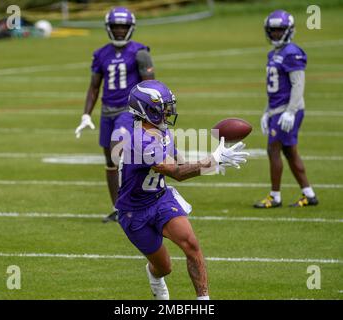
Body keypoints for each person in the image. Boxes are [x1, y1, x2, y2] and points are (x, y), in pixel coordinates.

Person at [115, 80, 249, 300]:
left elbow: (182, 163)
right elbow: (177, 173)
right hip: (134, 211)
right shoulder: (139, 141)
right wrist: (213, 161)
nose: (168, 111)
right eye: (162, 107)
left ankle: (203, 301)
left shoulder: (161, 130)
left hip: (159, 198)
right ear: (145, 109)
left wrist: (214, 161)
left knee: (191, 245)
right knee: (164, 268)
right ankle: (154, 276)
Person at [75, 7, 155, 221]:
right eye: (115, 26)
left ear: (131, 28)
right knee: (110, 163)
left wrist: (150, 114)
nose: (119, 30)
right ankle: (119, 208)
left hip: (128, 111)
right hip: (107, 112)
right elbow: (94, 87)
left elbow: (150, 86)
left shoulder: (140, 52)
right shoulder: (101, 54)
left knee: (116, 153)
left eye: (123, 26)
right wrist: (86, 115)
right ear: (108, 28)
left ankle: (136, 202)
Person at [254, 10, 318, 209]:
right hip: (277, 109)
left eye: (279, 30)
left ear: (289, 30)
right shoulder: (273, 53)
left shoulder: (292, 52)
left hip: (288, 110)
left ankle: (275, 196)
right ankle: (309, 194)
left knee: (273, 149)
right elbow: (273, 89)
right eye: (272, 30)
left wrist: (291, 111)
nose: (275, 34)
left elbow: (298, 85)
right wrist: (267, 112)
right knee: (290, 152)